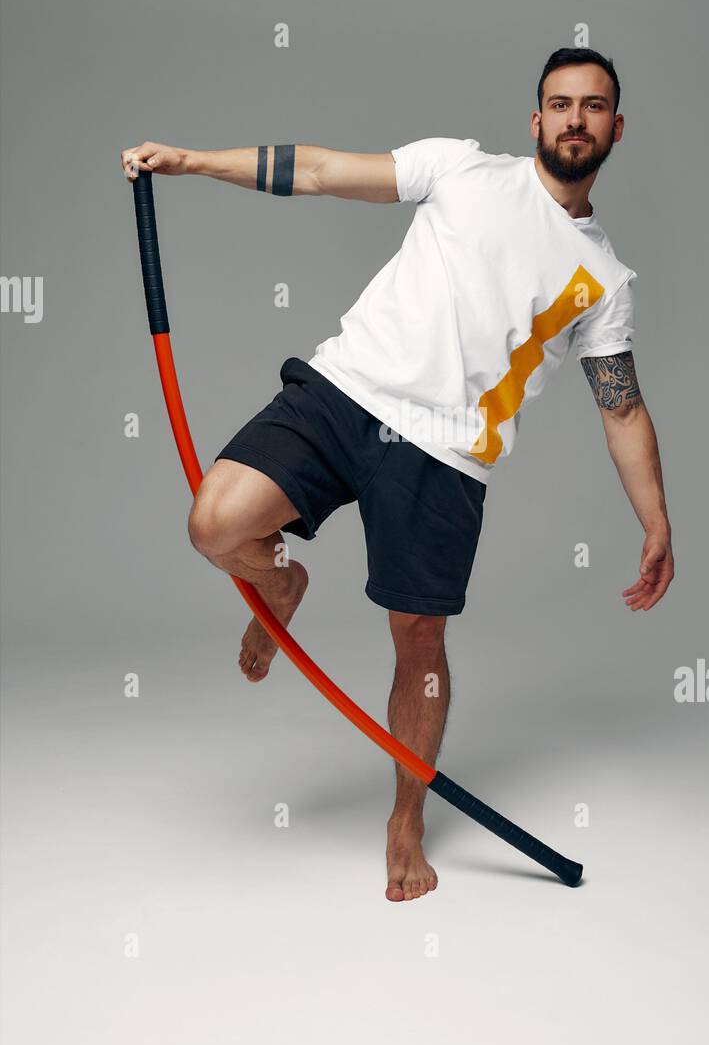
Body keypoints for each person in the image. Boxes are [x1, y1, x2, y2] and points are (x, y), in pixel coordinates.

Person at [120, 46, 674, 902]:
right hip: (346, 392)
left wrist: (656, 523)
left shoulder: (604, 281)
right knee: (214, 523)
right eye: (559, 104)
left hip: (445, 457)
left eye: (592, 107)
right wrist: (193, 162)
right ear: (535, 120)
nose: (574, 119)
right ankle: (279, 583)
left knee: (419, 645)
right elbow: (319, 171)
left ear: (615, 127)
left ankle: (406, 819)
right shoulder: (462, 168)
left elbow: (623, 409)